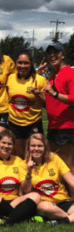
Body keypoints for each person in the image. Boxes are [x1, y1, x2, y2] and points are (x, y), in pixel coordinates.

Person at [20, 133, 74, 226]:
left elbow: (71, 180)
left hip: (63, 200)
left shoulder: (54, 158)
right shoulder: (23, 165)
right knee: (44, 207)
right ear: (28, 147)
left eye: (40, 146)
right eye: (33, 145)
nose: (36, 148)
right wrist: (29, 171)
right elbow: (26, 190)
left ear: (45, 147)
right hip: (45, 203)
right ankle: (69, 218)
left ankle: (62, 221)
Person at [39, 42, 74, 172]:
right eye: (49, 53)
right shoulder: (53, 76)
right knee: (55, 166)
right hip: (53, 126)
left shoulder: (69, 73)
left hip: (66, 126)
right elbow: (49, 104)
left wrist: (53, 93)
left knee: (67, 166)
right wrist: (39, 95)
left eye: (56, 53)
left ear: (63, 55)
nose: (52, 56)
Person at [7, 51, 47, 158]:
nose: (22, 66)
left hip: (34, 124)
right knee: (18, 157)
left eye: (26, 63)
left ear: (31, 64)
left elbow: (46, 105)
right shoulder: (9, 78)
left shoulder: (41, 80)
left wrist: (38, 95)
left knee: (36, 157)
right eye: (20, 63)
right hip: (14, 124)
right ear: (16, 63)